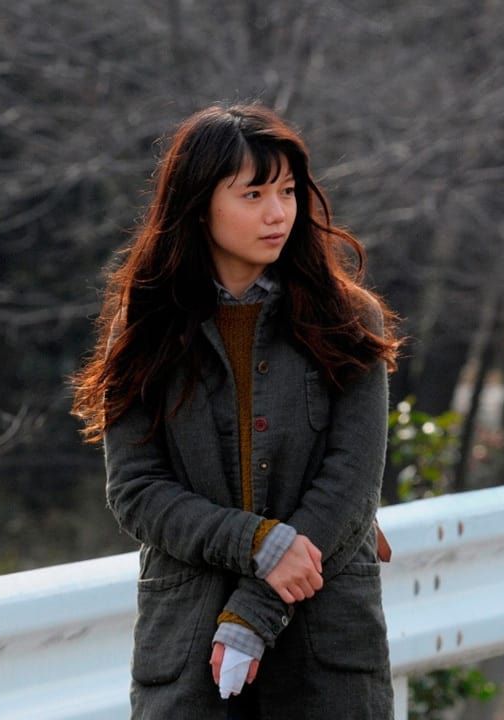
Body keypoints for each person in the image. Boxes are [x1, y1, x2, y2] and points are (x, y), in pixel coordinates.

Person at [71, 103, 399, 719]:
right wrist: (257, 543)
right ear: (200, 206)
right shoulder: (145, 329)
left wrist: (254, 611)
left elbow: (352, 488)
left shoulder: (348, 321)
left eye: (287, 191)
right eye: (253, 194)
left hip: (324, 654)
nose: (278, 213)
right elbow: (137, 491)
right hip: (188, 651)